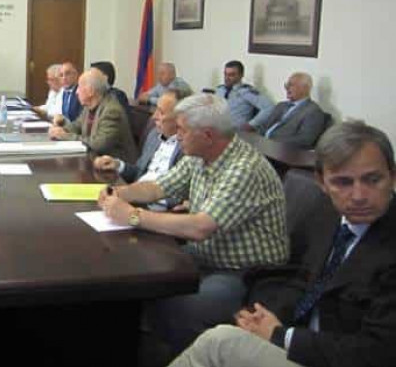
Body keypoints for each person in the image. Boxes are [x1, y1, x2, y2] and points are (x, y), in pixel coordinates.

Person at [168, 121, 396, 367]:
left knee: (219, 343)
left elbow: (379, 352)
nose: (359, 195)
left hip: (339, 358)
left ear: (393, 177)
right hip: (303, 341)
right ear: (322, 183)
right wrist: (262, 316)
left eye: (373, 180)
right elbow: (296, 276)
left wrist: (282, 336)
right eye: (343, 182)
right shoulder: (326, 213)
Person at [98, 93, 288, 353]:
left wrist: (133, 216)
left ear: (207, 135)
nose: (177, 136)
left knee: (176, 305)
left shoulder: (244, 168)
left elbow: (201, 227)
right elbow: (158, 187)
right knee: (137, 274)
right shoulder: (199, 156)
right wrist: (119, 193)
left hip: (245, 273)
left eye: (182, 130)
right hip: (206, 257)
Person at [94, 89, 183, 183]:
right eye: (156, 109)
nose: (154, 117)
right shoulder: (154, 135)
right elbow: (138, 171)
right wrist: (118, 165)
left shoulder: (186, 149)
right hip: (137, 188)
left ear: (179, 119)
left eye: (161, 112)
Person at [48, 69, 137, 162]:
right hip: (95, 159)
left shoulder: (111, 111)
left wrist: (65, 136)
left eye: (79, 87)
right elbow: (76, 126)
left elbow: (99, 145)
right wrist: (60, 130)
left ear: (90, 91)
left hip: (115, 165)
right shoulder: (89, 107)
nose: (76, 92)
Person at [260, 72, 327, 149]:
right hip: (263, 145)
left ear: (305, 88)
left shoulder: (313, 111)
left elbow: (305, 140)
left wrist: (271, 140)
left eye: (291, 85)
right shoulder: (281, 105)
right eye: (286, 85)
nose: (286, 88)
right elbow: (264, 126)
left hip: (282, 150)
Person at [215, 60, 274, 131]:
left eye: (231, 75)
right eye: (225, 74)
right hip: (218, 129)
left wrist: (252, 124)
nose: (227, 78)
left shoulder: (247, 92)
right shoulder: (220, 90)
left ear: (241, 75)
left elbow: (269, 108)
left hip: (236, 131)